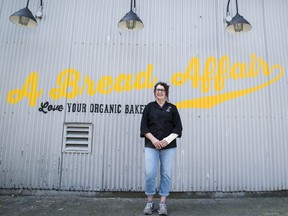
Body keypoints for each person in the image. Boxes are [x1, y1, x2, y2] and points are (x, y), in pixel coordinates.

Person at [140, 82, 183, 215]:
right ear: (154, 92)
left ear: (166, 92)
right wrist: (154, 140)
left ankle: (162, 203)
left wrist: (166, 140)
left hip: (168, 146)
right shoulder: (149, 107)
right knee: (150, 174)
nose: (159, 92)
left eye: (162, 90)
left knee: (166, 174)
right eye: (157, 90)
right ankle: (150, 202)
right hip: (151, 145)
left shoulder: (172, 108)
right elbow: (144, 127)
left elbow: (178, 128)